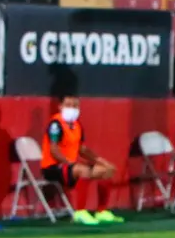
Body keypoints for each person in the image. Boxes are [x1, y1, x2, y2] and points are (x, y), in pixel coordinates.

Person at [41, 95, 123, 225]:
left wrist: (100, 161)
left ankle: (101, 211)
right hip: (53, 167)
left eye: (75, 106)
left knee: (106, 170)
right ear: (60, 106)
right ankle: (80, 212)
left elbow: (82, 149)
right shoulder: (55, 125)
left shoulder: (77, 125)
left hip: (71, 167)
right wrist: (69, 163)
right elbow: (54, 150)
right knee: (83, 170)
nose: (72, 109)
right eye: (68, 105)